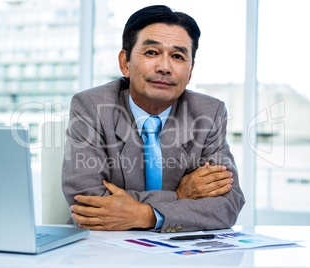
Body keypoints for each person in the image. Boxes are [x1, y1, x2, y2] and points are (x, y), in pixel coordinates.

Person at [62, 5, 245, 233]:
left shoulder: (208, 112)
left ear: (190, 71)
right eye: (151, 53)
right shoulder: (92, 106)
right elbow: (88, 200)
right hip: (102, 247)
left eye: (178, 56)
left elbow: (228, 204)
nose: (165, 67)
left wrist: (146, 215)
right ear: (125, 63)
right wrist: (179, 196)